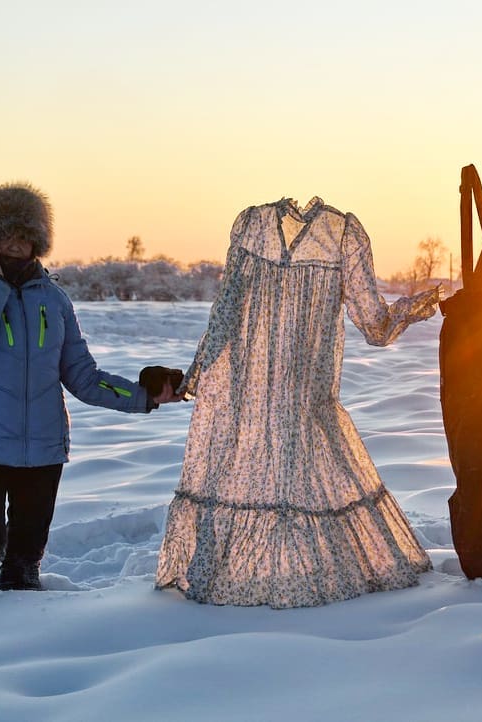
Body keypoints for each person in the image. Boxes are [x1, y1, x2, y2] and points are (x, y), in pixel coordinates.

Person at [156, 197, 440, 608]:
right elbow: (226, 310)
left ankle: (306, 572)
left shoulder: (342, 235)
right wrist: (200, 372)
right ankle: (244, 571)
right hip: (249, 388)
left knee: (312, 480)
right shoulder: (252, 225)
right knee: (251, 475)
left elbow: (373, 324)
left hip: (308, 388)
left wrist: (408, 311)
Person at [0, 182, 181, 599]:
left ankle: (31, 640)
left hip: (44, 448)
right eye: (3, 236)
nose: (15, 245)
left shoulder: (54, 299)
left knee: (25, 562)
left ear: (37, 241)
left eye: (23, 236)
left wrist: (144, 397)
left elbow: (83, 375)